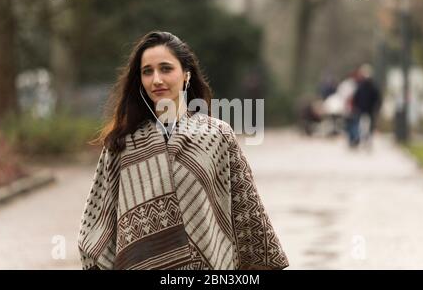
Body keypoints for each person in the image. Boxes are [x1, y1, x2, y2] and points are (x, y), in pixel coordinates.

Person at [77, 31, 289, 270]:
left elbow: (248, 216)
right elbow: (96, 224)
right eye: (147, 71)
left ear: (186, 75)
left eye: (166, 69)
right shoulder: (122, 143)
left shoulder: (217, 136)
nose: (156, 79)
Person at [352, 64, 382, 146]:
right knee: (362, 125)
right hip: (364, 109)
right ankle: (363, 138)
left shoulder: (368, 86)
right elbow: (356, 97)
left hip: (367, 109)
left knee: (366, 125)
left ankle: (365, 138)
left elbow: (377, 98)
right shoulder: (363, 86)